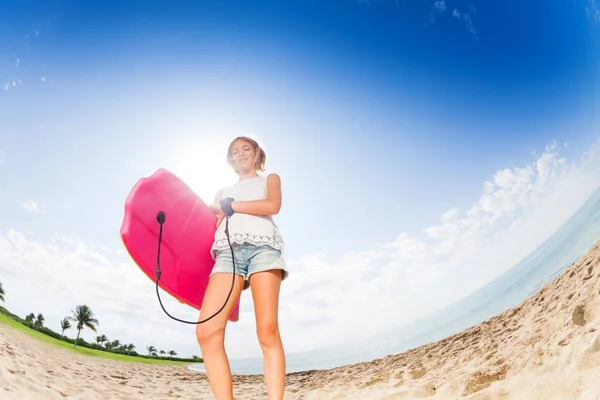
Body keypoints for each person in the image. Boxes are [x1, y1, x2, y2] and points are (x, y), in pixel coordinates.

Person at [196, 136, 289, 400]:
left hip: (263, 250)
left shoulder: (269, 179)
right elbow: (211, 227)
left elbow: (272, 206)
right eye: (234, 151)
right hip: (227, 253)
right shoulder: (221, 192)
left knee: (267, 331)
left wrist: (230, 207)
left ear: (257, 153)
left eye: (246, 148)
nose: (240, 154)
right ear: (230, 160)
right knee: (206, 331)